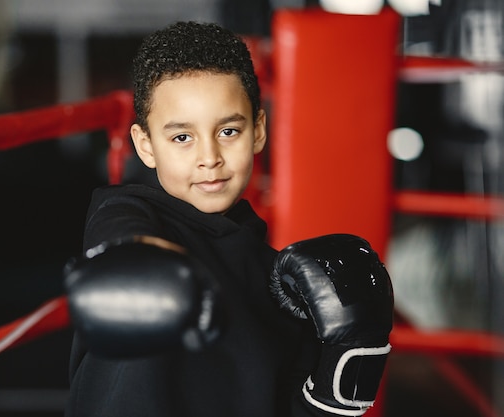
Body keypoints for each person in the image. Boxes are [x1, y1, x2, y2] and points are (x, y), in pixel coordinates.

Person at [63, 21, 393, 417]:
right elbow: (121, 234)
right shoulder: (129, 212)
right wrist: (137, 261)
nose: (209, 157)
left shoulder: (280, 282)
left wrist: (350, 358)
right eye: (182, 137)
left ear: (258, 131)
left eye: (229, 131)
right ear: (145, 146)